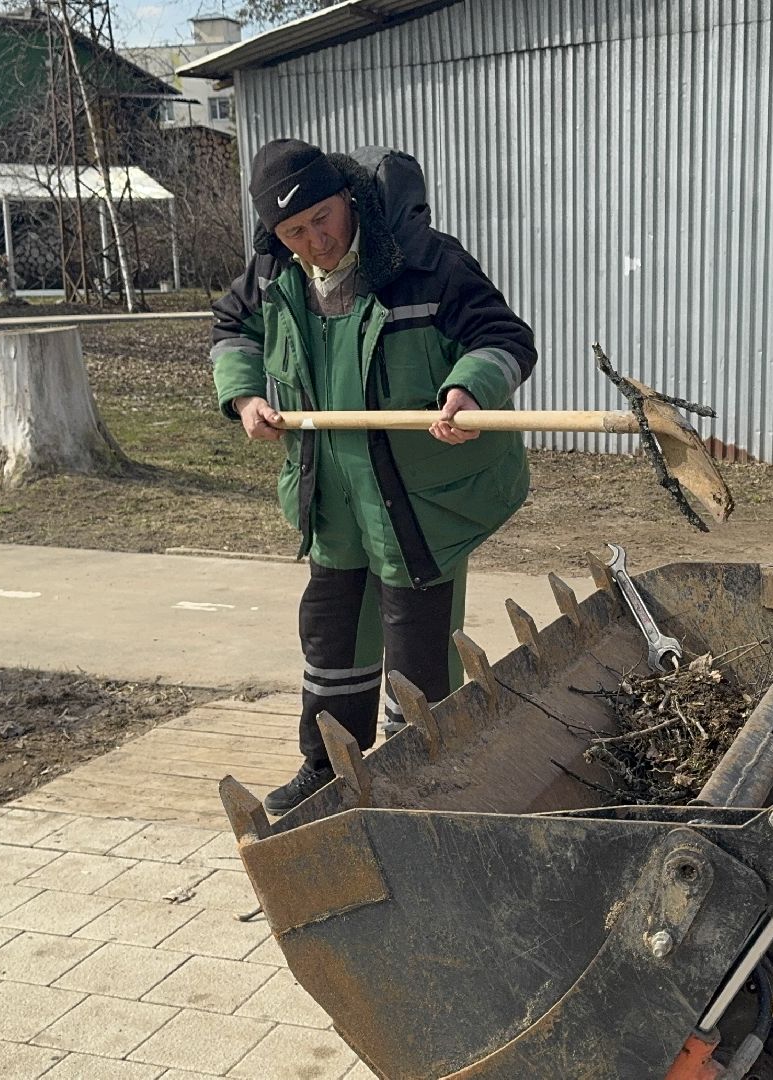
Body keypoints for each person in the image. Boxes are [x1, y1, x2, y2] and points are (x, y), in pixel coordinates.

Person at [211, 140, 537, 814]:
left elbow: (504, 338)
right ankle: (329, 769)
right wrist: (245, 396)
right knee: (332, 638)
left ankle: (420, 776)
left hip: (416, 497)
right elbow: (229, 326)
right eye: (294, 231)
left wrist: (469, 392)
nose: (316, 241)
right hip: (331, 494)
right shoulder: (275, 274)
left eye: (323, 218)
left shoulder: (424, 261)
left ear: (349, 199)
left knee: (419, 650)